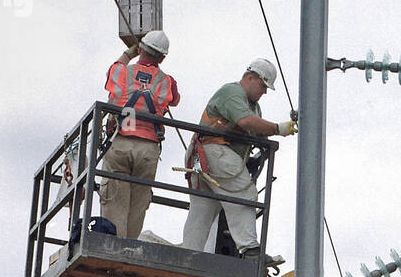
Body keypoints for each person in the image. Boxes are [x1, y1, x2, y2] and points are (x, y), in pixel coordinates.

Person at [182, 58, 296, 258]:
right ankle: (250, 249)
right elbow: (246, 122)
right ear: (250, 77)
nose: (265, 91)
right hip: (213, 151)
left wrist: (262, 146)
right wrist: (278, 129)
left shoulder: (253, 107)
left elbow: (256, 131)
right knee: (244, 192)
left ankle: (188, 256)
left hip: (207, 159)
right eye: (263, 85)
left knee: (205, 209)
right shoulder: (232, 92)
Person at [99, 30, 179, 240]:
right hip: (148, 149)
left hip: (121, 141)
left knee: (114, 198)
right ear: (162, 57)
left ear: (141, 48)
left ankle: (112, 246)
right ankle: (129, 247)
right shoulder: (167, 81)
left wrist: (130, 52)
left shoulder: (124, 72)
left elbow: (112, 71)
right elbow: (175, 99)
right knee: (138, 203)